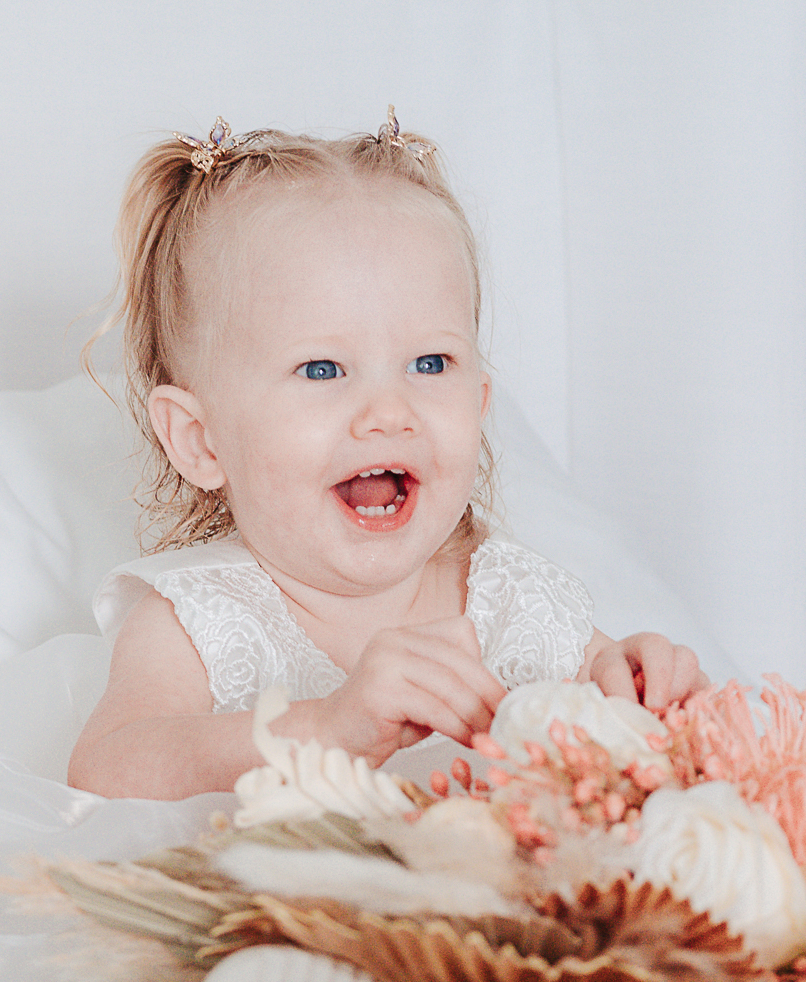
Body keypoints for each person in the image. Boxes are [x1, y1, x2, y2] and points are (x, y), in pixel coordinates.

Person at [66, 111, 707, 800]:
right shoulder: (200, 620)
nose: (389, 411)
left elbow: (619, 737)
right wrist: (328, 728)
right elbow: (103, 770)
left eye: (430, 363)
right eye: (322, 369)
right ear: (200, 440)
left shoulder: (514, 603)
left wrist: (636, 685)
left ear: (480, 401)